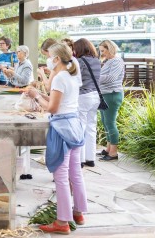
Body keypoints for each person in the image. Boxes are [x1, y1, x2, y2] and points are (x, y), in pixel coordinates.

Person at [26, 43, 87, 234]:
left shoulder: (60, 77)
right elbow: (58, 100)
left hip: (61, 128)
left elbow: (52, 108)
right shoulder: (72, 75)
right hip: (74, 125)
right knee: (75, 173)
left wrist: (36, 96)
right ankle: (78, 212)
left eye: (50, 56)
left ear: (57, 59)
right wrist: (41, 95)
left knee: (60, 176)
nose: (48, 60)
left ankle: (62, 222)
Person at [73, 38, 101, 168]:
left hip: (83, 96)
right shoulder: (97, 61)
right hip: (95, 96)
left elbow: (74, 78)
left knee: (81, 127)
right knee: (91, 127)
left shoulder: (79, 62)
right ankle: (91, 158)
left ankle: (80, 160)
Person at [97, 39, 125, 162]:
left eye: (103, 50)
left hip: (112, 94)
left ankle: (113, 152)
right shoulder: (109, 61)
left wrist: (94, 77)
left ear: (109, 48)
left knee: (110, 123)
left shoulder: (117, 61)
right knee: (105, 121)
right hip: (106, 94)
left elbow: (111, 78)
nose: (101, 53)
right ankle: (108, 149)